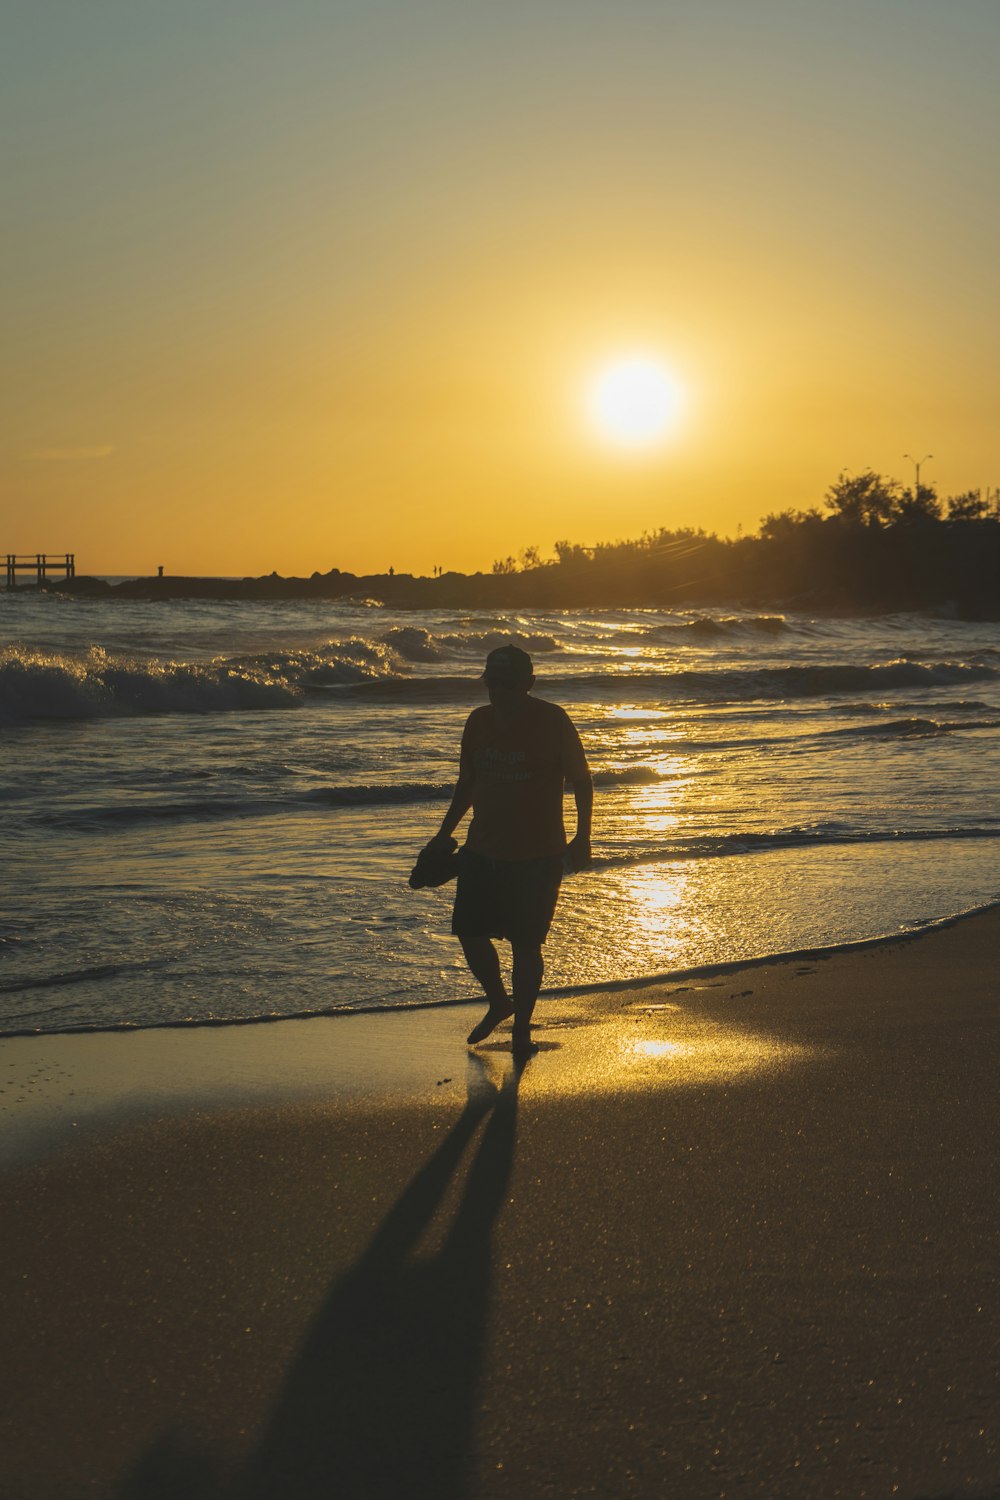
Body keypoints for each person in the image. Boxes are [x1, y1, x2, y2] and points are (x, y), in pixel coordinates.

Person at [426, 644, 593, 1058]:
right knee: (469, 932)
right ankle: (500, 1001)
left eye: (508, 683)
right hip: (482, 849)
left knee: (525, 944)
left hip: (537, 854)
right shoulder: (477, 722)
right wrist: (442, 834)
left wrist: (583, 836)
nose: (498, 691)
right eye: (491, 683)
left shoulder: (552, 721)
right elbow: (466, 784)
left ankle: (522, 1029)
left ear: (529, 684)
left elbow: (582, 780)